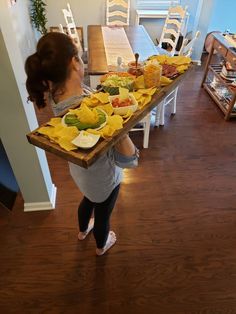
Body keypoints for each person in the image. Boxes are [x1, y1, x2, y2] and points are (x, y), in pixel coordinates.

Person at [25, 32, 139, 256]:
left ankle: (82, 230)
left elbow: (86, 99)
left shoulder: (57, 96)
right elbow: (129, 160)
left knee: (88, 201)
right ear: (74, 63)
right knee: (103, 215)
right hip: (105, 179)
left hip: (81, 174)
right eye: (78, 56)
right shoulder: (90, 113)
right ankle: (101, 246)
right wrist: (120, 126)